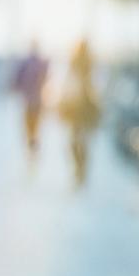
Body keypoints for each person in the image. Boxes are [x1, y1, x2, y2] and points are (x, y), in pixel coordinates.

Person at [58, 38, 101, 187]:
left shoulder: (86, 64)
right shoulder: (80, 64)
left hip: (80, 109)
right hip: (80, 109)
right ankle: (80, 169)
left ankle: (80, 169)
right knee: (79, 142)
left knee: (77, 141)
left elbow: (68, 85)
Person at [11, 42, 50, 159]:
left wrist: (17, 87)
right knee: (34, 125)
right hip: (37, 100)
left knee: (30, 125)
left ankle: (31, 145)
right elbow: (46, 77)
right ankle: (33, 145)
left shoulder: (26, 63)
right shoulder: (40, 62)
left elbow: (17, 80)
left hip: (29, 100)